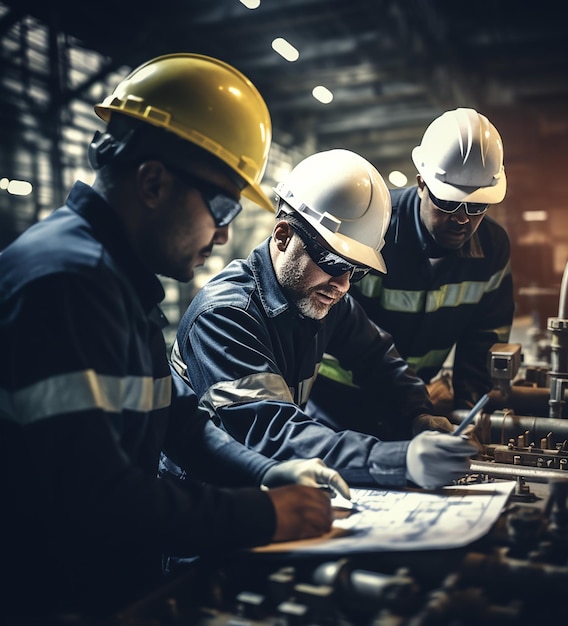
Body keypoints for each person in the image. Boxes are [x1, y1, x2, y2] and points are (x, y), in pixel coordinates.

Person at [0, 53, 349, 623]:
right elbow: (99, 499)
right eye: (222, 206)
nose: (226, 232)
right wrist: (267, 515)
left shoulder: (117, 282)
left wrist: (267, 474)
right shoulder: (64, 284)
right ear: (154, 182)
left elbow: (177, 423)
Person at [171, 148, 478, 493]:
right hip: (202, 507)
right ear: (284, 236)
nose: (343, 284)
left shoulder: (320, 299)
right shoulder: (225, 317)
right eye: (333, 262)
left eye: (356, 271)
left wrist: (418, 414)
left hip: (262, 492)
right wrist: (398, 460)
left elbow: (376, 356)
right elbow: (273, 431)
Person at [308, 108, 514, 423]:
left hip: (410, 401)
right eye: (447, 201)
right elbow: (336, 323)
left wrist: (469, 413)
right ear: (421, 184)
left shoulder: (492, 248)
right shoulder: (373, 227)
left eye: (476, 206)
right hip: (336, 399)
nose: (462, 218)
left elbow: (484, 339)